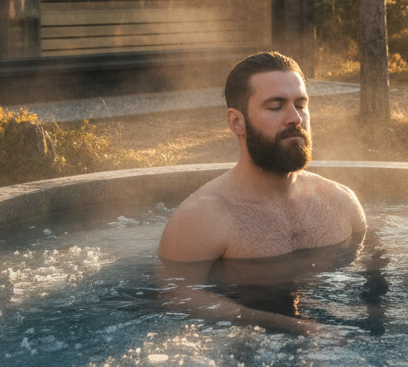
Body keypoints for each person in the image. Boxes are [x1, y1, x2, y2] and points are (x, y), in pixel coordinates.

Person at [156, 52, 366, 333]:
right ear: (236, 122)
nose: (295, 118)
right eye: (275, 106)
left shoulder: (341, 201)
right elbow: (176, 298)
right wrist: (292, 327)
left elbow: (375, 266)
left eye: (301, 105)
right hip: (242, 353)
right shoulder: (201, 219)